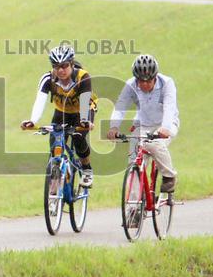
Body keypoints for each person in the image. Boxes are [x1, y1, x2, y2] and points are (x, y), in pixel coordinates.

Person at [21, 44, 98, 187]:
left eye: (64, 65)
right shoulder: (48, 78)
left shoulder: (83, 77)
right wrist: (32, 120)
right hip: (62, 111)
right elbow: (40, 100)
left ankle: (87, 169)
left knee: (78, 138)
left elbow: (85, 101)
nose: (61, 70)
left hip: (83, 110)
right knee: (54, 142)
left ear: (72, 64)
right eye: (56, 66)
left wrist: (84, 121)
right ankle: (56, 178)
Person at [107, 54, 180, 192]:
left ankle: (169, 176)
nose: (145, 84)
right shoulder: (131, 85)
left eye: (148, 81)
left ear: (155, 77)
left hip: (166, 124)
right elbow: (120, 107)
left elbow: (169, 107)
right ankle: (133, 206)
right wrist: (114, 127)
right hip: (142, 124)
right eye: (141, 81)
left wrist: (165, 128)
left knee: (155, 144)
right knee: (134, 160)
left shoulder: (167, 83)